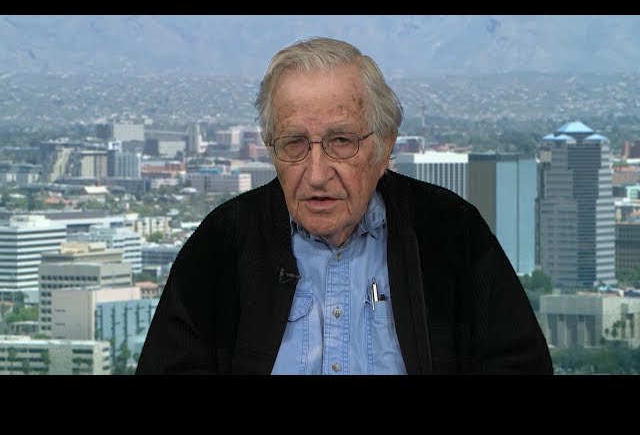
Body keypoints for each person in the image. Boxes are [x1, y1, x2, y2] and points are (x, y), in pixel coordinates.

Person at [135, 36, 553, 375]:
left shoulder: (451, 231)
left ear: (384, 147)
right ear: (271, 150)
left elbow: (518, 364)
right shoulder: (223, 242)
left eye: (341, 142)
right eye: (294, 144)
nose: (317, 173)